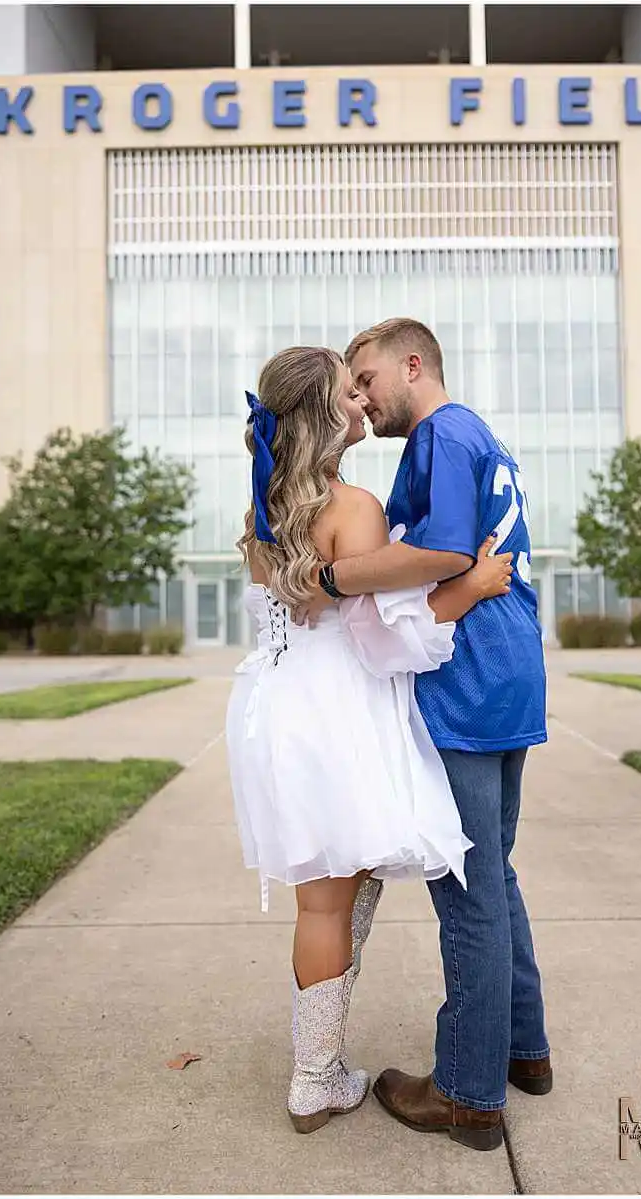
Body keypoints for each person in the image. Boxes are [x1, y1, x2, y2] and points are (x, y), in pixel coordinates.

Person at [226, 345, 515, 1135]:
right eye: (347, 393)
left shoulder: (263, 509)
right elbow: (389, 635)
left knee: (331, 892)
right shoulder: (350, 507)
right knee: (333, 896)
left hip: (274, 708)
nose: (361, 400)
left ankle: (319, 1068)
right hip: (335, 712)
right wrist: (473, 588)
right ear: (326, 414)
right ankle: (314, 1077)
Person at [298, 317, 551, 1151]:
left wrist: (327, 576)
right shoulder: (480, 434)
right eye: (353, 387)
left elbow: (442, 552)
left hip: (468, 677)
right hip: (510, 667)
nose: (363, 396)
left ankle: (468, 1093)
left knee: (468, 886)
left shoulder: (440, 434)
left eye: (367, 377)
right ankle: (523, 1048)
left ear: (415, 364)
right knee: (497, 875)